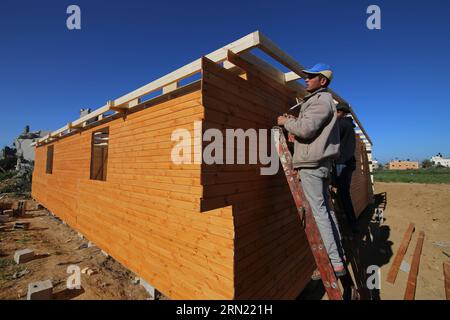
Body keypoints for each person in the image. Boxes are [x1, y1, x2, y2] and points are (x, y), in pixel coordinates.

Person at [277, 63, 345, 278]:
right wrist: (294, 126)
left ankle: (334, 262)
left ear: (322, 81)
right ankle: (339, 258)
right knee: (326, 211)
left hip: (312, 166)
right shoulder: (320, 100)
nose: (306, 79)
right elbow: (310, 131)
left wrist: (285, 123)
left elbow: (306, 129)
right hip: (318, 164)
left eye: (311, 77)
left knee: (319, 213)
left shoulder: (321, 100)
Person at [334, 103, 359, 233]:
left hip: (342, 163)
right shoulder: (349, 125)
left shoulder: (341, 124)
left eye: (336, 112)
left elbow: (329, 139)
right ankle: (351, 221)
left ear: (341, 113)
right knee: (343, 192)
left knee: (343, 194)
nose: (335, 115)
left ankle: (352, 223)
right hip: (348, 163)